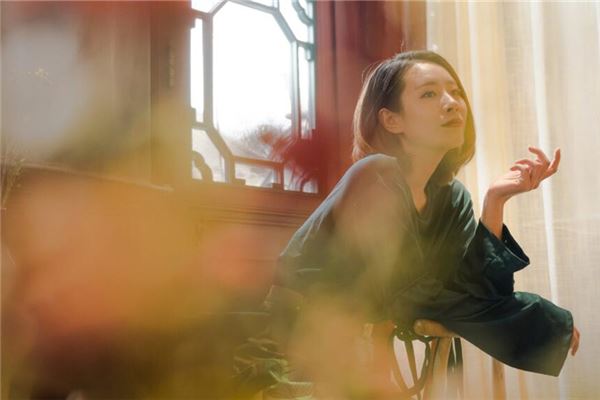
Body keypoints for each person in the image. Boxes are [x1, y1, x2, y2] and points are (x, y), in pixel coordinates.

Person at [231, 50, 580, 399]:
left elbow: (475, 293)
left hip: (359, 359)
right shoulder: (374, 174)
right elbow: (411, 293)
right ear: (391, 120)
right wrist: (538, 318)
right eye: (429, 93)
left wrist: (495, 201)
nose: (452, 104)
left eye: (455, 92)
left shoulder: (453, 198)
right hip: (292, 355)